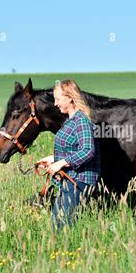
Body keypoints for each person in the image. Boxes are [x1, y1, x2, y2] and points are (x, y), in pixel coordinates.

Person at [36, 80, 101, 229]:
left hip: (79, 181)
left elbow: (88, 150)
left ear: (70, 97)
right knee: (58, 224)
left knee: (61, 226)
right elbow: (73, 148)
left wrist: (60, 163)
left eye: (58, 99)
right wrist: (53, 159)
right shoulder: (70, 121)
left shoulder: (81, 121)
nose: (55, 103)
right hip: (71, 181)